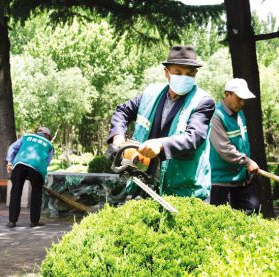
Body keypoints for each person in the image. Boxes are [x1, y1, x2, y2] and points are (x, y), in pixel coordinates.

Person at [108, 45, 215, 199]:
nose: (184, 77)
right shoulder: (150, 94)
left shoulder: (203, 102)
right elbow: (122, 111)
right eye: (178, 72)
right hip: (144, 182)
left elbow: (193, 138)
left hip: (184, 189)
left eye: (190, 74)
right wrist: (118, 137)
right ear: (167, 73)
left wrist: (161, 145)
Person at [208, 78, 260, 214]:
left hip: (241, 179)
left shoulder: (239, 113)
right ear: (227, 94)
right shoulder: (216, 116)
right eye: (239, 99)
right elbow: (224, 149)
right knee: (221, 221)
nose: (242, 103)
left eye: (244, 99)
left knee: (250, 213)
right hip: (221, 181)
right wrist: (247, 161)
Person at [6, 127, 54, 227]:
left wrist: (10, 162)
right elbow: (47, 161)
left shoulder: (26, 137)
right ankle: (34, 221)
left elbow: (12, 148)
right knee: (36, 193)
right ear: (47, 135)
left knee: (15, 192)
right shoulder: (49, 145)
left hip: (19, 164)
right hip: (36, 166)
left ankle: (12, 221)